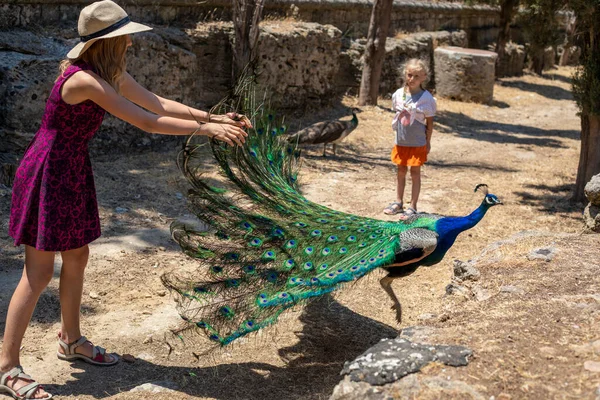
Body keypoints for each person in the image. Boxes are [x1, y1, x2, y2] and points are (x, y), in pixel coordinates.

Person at [0, 1, 250, 399]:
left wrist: (215, 118)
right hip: (49, 171)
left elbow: (157, 103)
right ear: (107, 42)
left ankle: (71, 340)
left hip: (71, 168)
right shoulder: (82, 80)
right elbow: (147, 121)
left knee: (78, 255)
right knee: (38, 273)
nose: (130, 43)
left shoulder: (108, 72)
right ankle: (8, 367)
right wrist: (207, 132)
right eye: (124, 36)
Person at [383, 58, 436, 217]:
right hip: (401, 141)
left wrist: (427, 142)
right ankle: (398, 202)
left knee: (415, 173)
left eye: (416, 76)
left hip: (417, 142)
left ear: (424, 77)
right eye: (409, 75)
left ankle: (412, 206)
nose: (411, 79)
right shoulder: (398, 95)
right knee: (400, 171)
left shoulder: (427, 99)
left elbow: (430, 123)